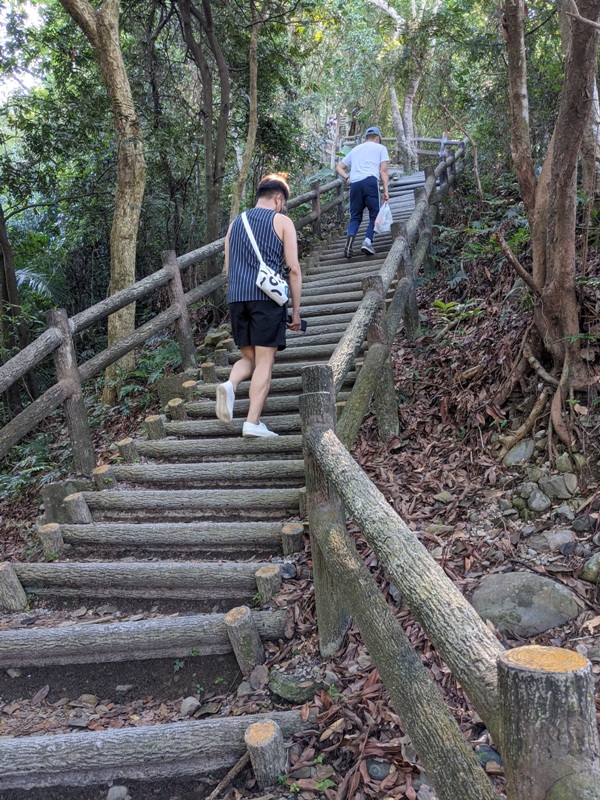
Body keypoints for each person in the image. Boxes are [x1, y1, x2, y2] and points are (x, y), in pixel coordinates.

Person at [215, 173, 302, 438]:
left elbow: (228, 267)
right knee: (265, 360)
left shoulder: (235, 223)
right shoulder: (282, 222)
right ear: (278, 199)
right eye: (282, 203)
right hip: (266, 298)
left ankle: (230, 384)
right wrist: (295, 310)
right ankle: (252, 422)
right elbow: (294, 270)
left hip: (237, 297)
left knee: (248, 358)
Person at [335, 125, 390, 258]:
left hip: (355, 184)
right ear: (377, 138)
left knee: (355, 217)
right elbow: (383, 170)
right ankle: (367, 241)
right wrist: (386, 191)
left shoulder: (355, 150)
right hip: (370, 182)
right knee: (375, 214)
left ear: (366, 138)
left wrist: (347, 177)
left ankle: (349, 243)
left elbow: (339, 167)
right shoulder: (381, 148)